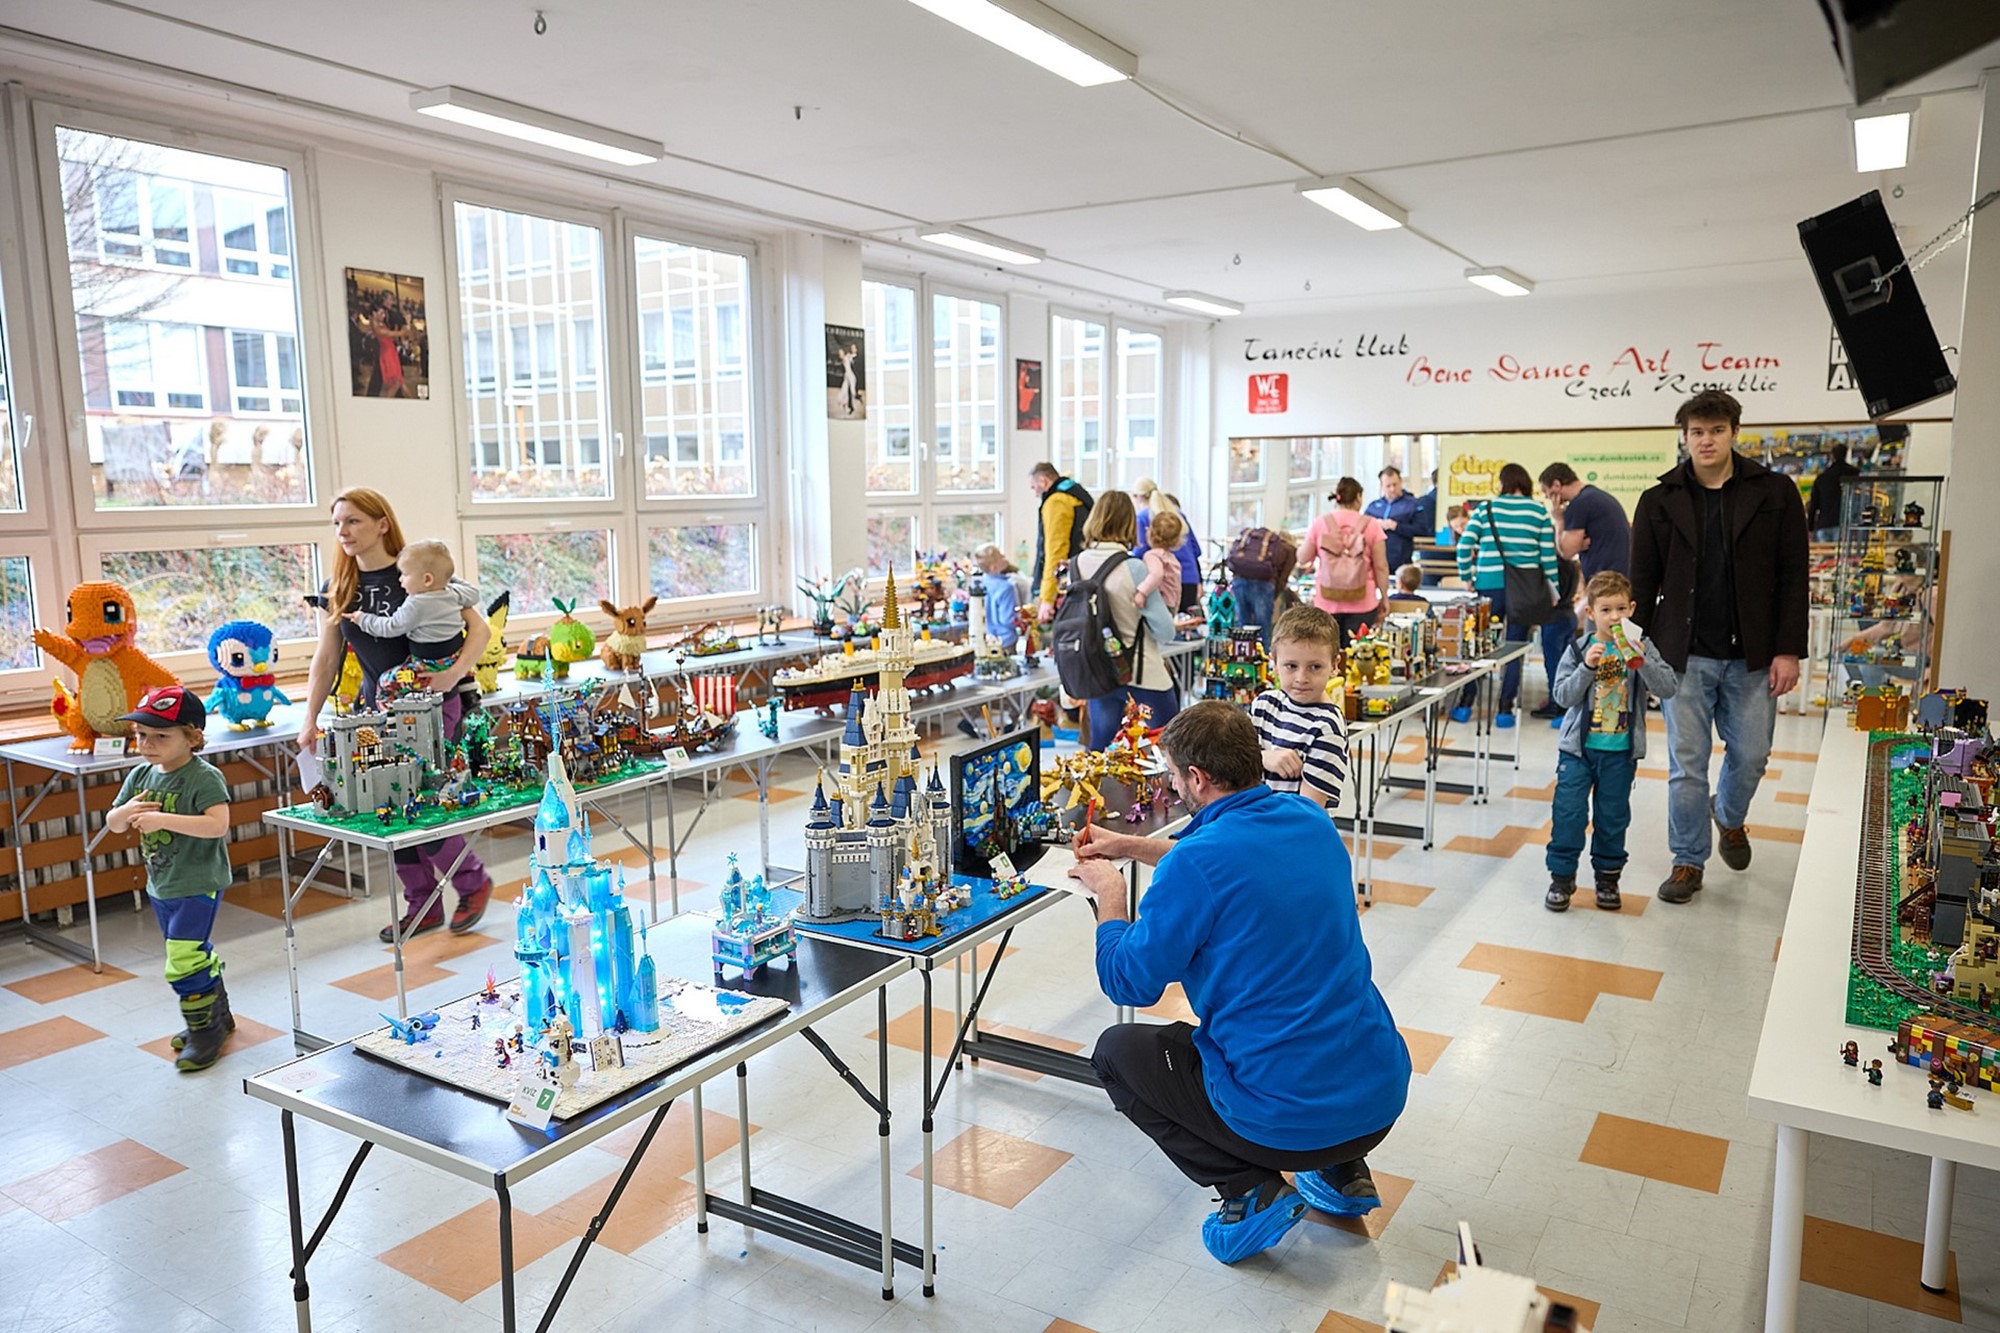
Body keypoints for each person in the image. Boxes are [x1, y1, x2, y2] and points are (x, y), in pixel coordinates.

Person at [1068, 703, 1409, 1264]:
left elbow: (1129, 982)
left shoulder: (1197, 866)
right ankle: (1341, 1170)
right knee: (1311, 1012)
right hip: (1376, 1100)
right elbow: (1226, 860)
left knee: (1116, 1052)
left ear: (1196, 778)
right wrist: (1128, 846)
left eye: (1173, 776)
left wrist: (1111, 898)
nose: (1172, 787)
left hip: (1280, 1118)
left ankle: (1248, 1190)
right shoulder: (1312, 822)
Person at [1630, 390, 1809, 905]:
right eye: (1696, 432)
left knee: (1751, 755)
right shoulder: (1658, 500)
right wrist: (1634, 649)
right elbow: (1642, 581)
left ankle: (1728, 816)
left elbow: (1793, 576)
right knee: (1687, 763)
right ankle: (1688, 860)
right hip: (1682, 655)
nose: (1705, 440)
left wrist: (1788, 650)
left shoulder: (1774, 492)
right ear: (1684, 437)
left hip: (1754, 654)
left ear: (1734, 432)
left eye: (1716, 430)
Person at [300, 487, 495, 942]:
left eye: (353, 521)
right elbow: (326, 659)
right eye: (337, 523)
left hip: (428, 706)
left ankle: (471, 882)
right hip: (373, 709)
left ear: (382, 524)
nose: (343, 531)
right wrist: (309, 719)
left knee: (423, 798)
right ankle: (421, 903)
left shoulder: (416, 569)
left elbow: (480, 629)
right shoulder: (338, 587)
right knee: (384, 803)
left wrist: (453, 676)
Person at [106, 685, 236, 1072]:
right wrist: (125, 811)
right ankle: (218, 1014)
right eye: (141, 734)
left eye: (161, 736)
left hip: (198, 882)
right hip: (161, 883)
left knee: (181, 959)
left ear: (192, 737)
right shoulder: (140, 775)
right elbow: (114, 823)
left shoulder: (203, 777)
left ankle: (204, 1031)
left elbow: (217, 825)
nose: (147, 744)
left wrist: (162, 819)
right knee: (192, 952)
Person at [1544, 573, 1679, 913]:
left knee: (1613, 817)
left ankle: (1607, 878)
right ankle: (1561, 877)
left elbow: (1668, 687)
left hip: (1620, 753)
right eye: (1606, 610)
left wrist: (1643, 661)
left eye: (1621, 608)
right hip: (1577, 752)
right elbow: (1562, 696)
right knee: (1569, 813)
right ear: (1590, 613)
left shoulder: (1641, 644)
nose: (1615, 617)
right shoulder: (1578, 648)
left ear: (1631, 608)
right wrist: (1586, 668)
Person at [1451, 464, 1560, 727]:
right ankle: (1504, 711)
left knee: (1478, 645)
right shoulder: (1538, 511)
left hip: (1489, 585)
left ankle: (1466, 704)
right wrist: (1553, 589)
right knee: (1514, 647)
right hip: (1526, 590)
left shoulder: (1486, 509)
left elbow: (1464, 545)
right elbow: (1548, 556)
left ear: (1502, 483)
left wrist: (1467, 577)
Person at [1071, 490, 1180, 749]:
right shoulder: (1134, 568)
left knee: (1101, 754)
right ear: (1130, 523)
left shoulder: (1076, 565)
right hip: (1141, 671)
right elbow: (1165, 631)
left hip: (1098, 671)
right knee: (1169, 749)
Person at [341, 538, 481, 694]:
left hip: (428, 664)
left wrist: (362, 619)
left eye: (405, 575)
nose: (400, 579)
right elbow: (474, 594)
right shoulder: (453, 592)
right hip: (454, 656)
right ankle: (467, 680)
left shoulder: (417, 604)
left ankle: (388, 709)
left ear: (427, 579)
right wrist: (445, 577)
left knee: (385, 683)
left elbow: (391, 627)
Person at [1250, 607, 1349, 810]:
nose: (1301, 678)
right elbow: (1233, 765)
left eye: (1315, 667)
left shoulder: (1327, 727)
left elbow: (1307, 814)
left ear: (1334, 665)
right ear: (1274, 663)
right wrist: (1263, 758)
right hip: (1249, 821)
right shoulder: (1263, 704)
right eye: (1291, 666)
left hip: (1287, 829)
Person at [1299, 477, 1391, 649]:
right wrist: (1384, 597)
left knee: (1328, 655)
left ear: (1337, 497)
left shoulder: (1320, 523)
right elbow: (1381, 566)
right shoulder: (1371, 525)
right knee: (1357, 655)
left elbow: (1303, 558)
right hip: (1363, 603)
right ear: (1358, 497)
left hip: (1326, 604)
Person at [1029, 461, 1094, 623]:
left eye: (1034, 487)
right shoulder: (1077, 496)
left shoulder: (1056, 502)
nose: (1035, 493)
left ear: (1043, 481)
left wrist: (1047, 597)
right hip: (1084, 576)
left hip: (1066, 585)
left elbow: (1056, 551)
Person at [1151, 490, 1205, 613]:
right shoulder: (1182, 519)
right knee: (1188, 619)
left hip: (1167, 583)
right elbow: (1196, 551)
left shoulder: (1151, 519)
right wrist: (1199, 581)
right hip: (1190, 578)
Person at [1364, 466, 1424, 571]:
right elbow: (1363, 527)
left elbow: (1421, 529)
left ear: (1401, 482)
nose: (1392, 489)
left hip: (1400, 560)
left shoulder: (1413, 504)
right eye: (1388, 486)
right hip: (1375, 560)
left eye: (1395, 485)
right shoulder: (1373, 507)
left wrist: (1396, 526)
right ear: (1382, 486)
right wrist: (1375, 524)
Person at [968, 543, 1023, 651]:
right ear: (993, 567)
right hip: (1005, 641)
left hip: (986, 639)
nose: (1005, 557)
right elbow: (1008, 619)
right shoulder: (1006, 587)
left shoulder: (980, 583)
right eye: (1001, 557)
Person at [1805, 443, 1858, 542]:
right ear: (1846, 454)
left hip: (1824, 523)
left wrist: (1810, 526)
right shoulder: (1854, 474)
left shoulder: (1822, 477)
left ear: (1832, 456)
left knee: (1825, 551)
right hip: (1844, 522)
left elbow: (1814, 504)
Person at [1135, 509, 1187, 608]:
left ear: (1150, 534)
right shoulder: (1170, 557)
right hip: (1172, 603)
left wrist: (1142, 593)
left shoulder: (1152, 556)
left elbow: (1156, 574)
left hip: (1162, 602)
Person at [369, 292, 408, 398]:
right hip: (384, 351)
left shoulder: (386, 313)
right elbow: (396, 332)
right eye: (390, 299)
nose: (392, 302)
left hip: (389, 349)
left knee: (397, 381)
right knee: (390, 380)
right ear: (384, 299)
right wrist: (406, 323)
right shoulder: (377, 316)